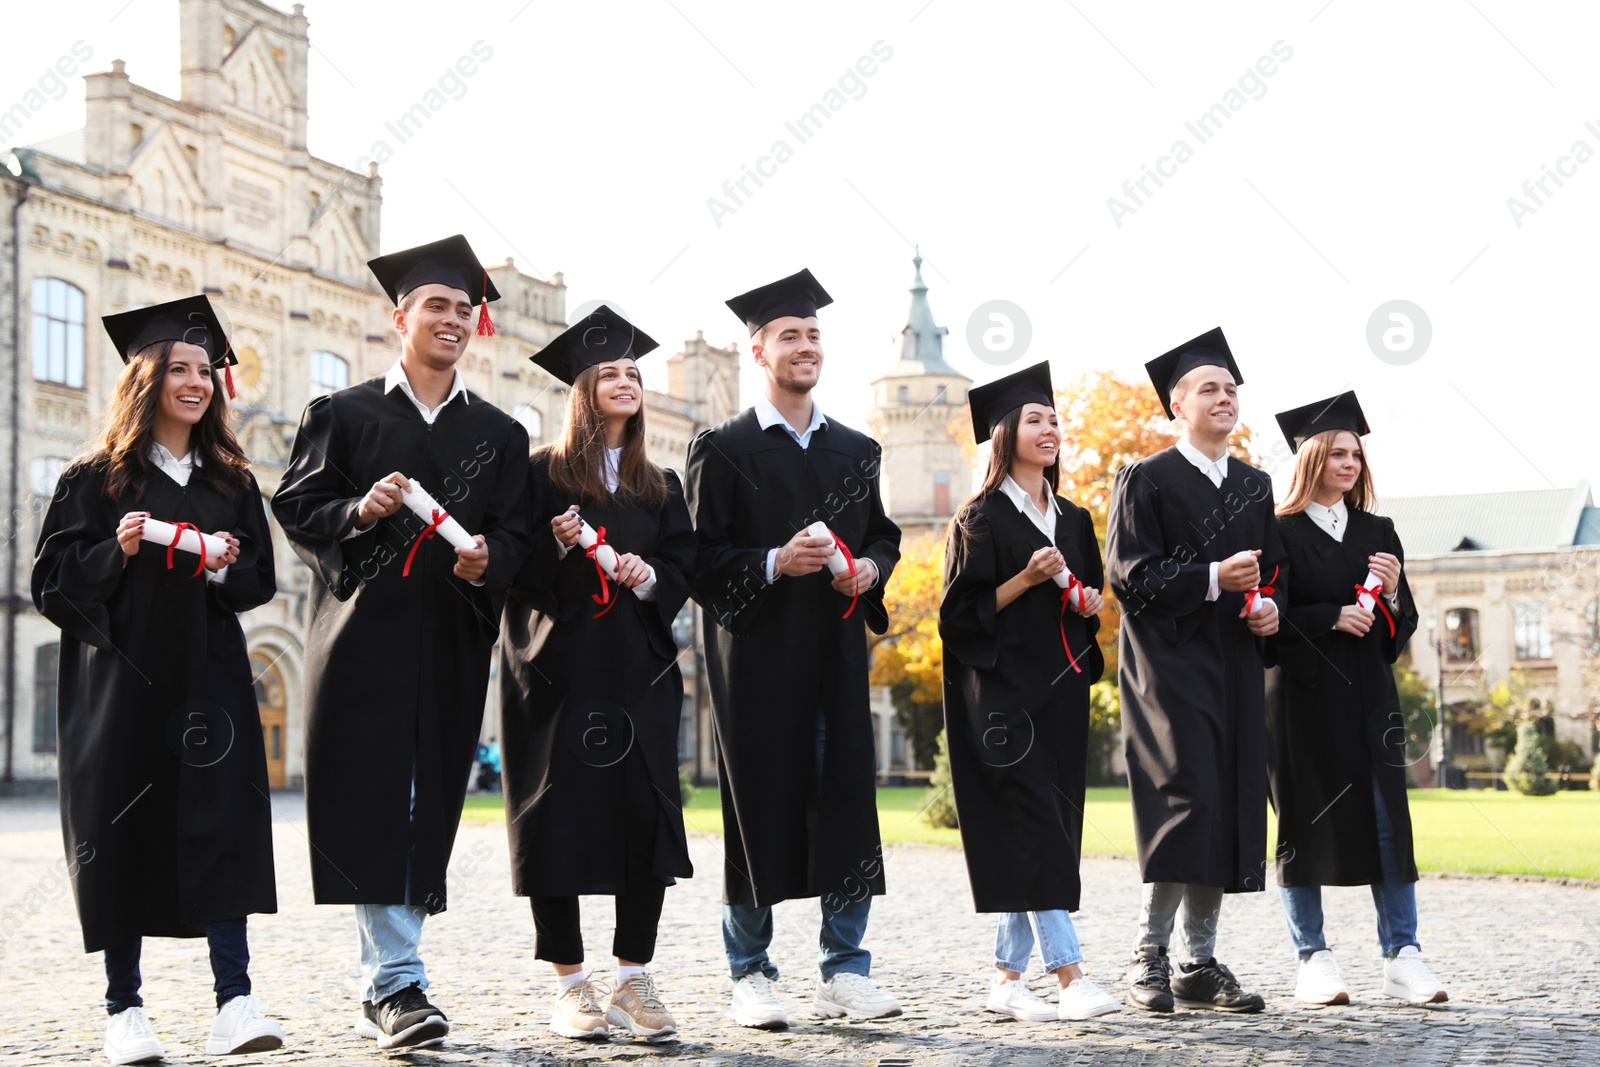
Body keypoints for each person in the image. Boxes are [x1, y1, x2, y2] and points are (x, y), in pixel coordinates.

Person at [272, 234, 531, 1050]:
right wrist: (359, 510)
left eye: (464, 309)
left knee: (427, 809)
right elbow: (297, 507)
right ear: (400, 317)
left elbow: (518, 538)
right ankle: (395, 983)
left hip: (451, 639)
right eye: (436, 306)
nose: (452, 319)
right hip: (361, 640)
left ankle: (394, 975)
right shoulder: (342, 415)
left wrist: (492, 554)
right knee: (376, 801)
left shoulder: (500, 433)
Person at [33, 296, 283, 1062]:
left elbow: (260, 580)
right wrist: (120, 549)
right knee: (122, 828)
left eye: (205, 370)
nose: (195, 381)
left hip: (209, 684)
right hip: (123, 686)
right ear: (146, 377)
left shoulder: (231, 482)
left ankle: (234, 1000)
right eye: (178, 367)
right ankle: (124, 1009)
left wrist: (227, 565)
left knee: (221, 826)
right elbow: (52, 581)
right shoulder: (94, 478)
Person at [685, 268, 903, 1028]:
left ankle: (844, 968)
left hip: (836, 661)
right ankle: (750, 972)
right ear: (758, 351)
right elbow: (701, 558)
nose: (806, 346)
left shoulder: (856, 449)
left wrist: (871, 567)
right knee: (760, 808)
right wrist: (774, 562)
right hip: (758, 663)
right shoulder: (723, 448)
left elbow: (882, 534)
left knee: (847, 803)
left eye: (814, 335)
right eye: (790, 335)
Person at [500, 306, 697, 1041]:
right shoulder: (539, 475)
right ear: (581, 388)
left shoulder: (660, 483)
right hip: (557, 671)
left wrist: (649, 577)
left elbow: (684, 567)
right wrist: (556, 548)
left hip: (639, 671)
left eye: (634, 373)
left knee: (645, 815)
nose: (626, 381)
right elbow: (514, 571)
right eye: (610, 372)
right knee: (556, 816)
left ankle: (632, 978)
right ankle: (571, 983)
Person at [1104, 327, 1286, 1014]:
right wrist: (1211, 576)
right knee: (1185, 802)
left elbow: (1274, 576)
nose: (1223, 397)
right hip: (1169, 669)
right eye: (1208, 388)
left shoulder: (1254, 485)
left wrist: (1268, 608)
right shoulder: (1145, 479)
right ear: (1177, 404)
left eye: (1231, 388)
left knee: (1229, 804)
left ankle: (1198, 962)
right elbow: (1129, 575)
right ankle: (1148, 952)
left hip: (1234, 667)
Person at [938, 361, 1120, 1022]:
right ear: (1005, 433)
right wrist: (1023, 578)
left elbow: (1084, 609)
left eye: (1054, 420)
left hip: (1062, 693)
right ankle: (1071, 977)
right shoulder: (978, 517)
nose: (1050, 429)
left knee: (1041, 831)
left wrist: (1088, 601)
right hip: (1002, 698)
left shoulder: (1074, 516)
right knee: (1038, 826)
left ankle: (1005, 979)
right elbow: (958, 618)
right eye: (1036, 419)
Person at [1267, 392, 1446, 1006]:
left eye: (1356, 454)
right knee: (1303, 825)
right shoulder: (1279, 530)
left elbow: (1406, 622)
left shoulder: (1378, 530)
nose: (1349, 463)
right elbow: (1266, 623)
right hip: (1301, 700)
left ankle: (1403, 954)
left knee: (1388, 825)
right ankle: (1312, 958)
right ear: (1312, 458)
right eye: (1337, 453)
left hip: (1370, 698)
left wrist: (1392, 597)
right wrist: (1330, 617)